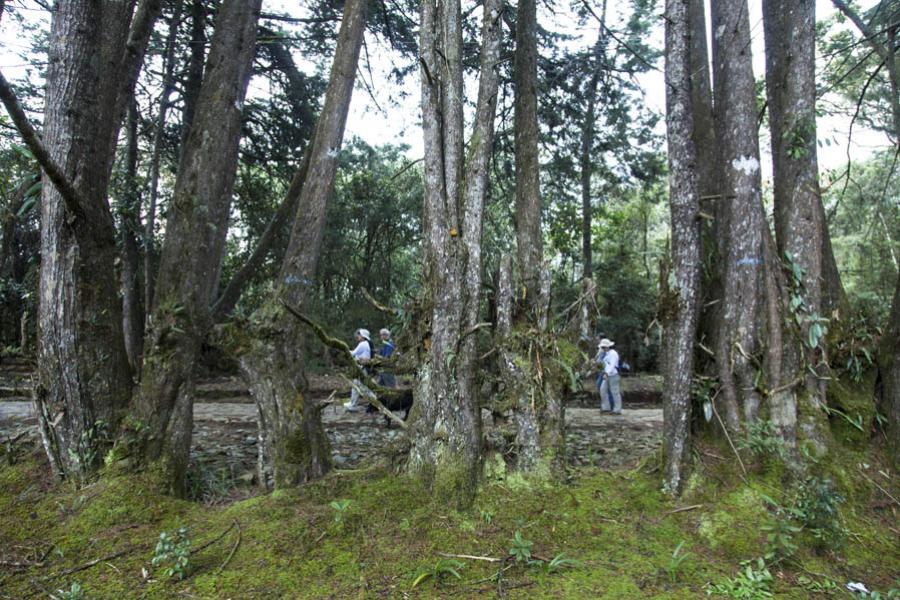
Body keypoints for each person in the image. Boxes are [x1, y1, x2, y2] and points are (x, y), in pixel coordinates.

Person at [344, 328, 372, 412]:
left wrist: (344, 349)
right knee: (355, 386)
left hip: (362, 369)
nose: (358, 336)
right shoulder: (365, 343)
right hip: (361, 368)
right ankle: (353, 404)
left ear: (363, 336)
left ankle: (376, 401)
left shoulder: (363, 344)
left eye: (359, 335)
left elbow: (353, 353)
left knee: (363, 388)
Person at [597, 338, 622, 414]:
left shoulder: (613, 354)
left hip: (613, 375)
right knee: (602, 390)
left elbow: (612, 365)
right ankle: (606, 407)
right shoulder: (606, 354)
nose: (603, 348)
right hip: (606, 374)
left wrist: (607, 373)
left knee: (615, 392)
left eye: (604, 347)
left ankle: (617, 409)